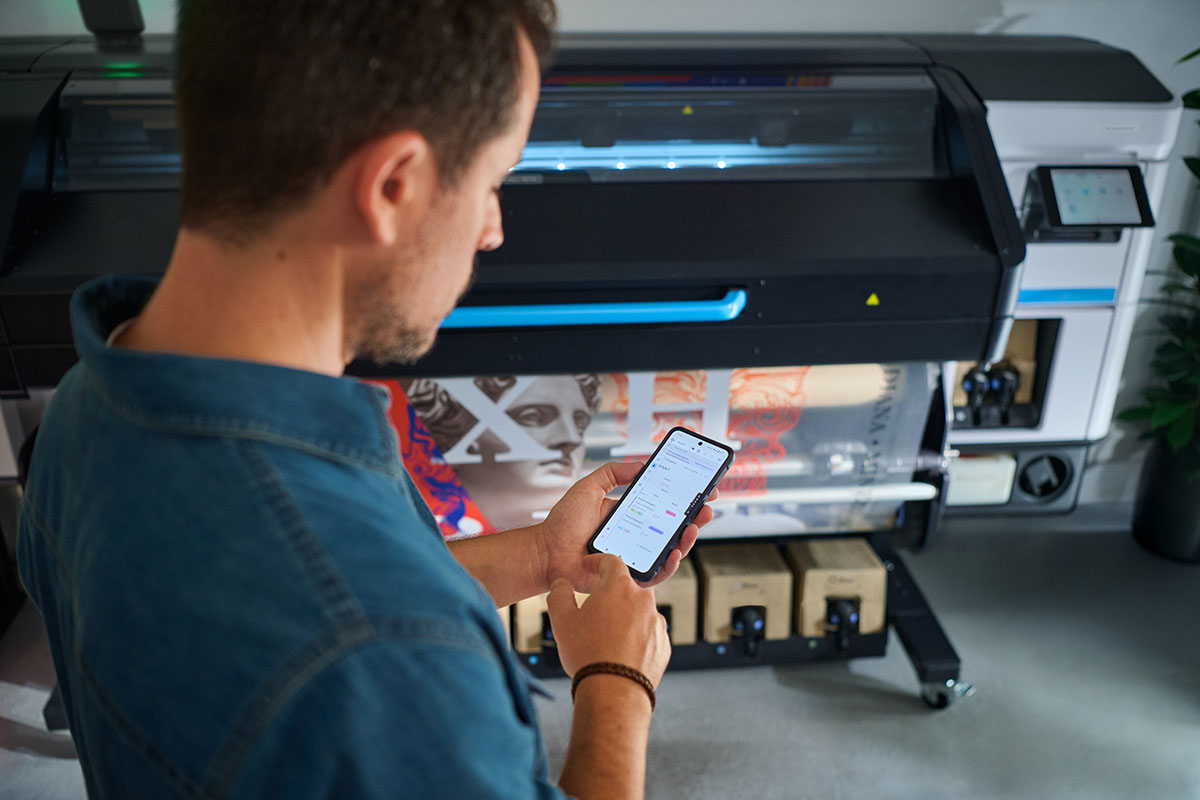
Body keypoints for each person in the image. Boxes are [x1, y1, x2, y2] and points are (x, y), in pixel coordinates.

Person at [16, 2, 711, 798]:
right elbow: (355, 623)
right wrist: (618, 685)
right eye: (492, 182)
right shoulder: (391, 663)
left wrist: (544, 556)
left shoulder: (89, 405)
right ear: (392, 185)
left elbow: (306, 606)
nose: (492, 231)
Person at [405, 374, 602, 531]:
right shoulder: (411, 537)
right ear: (459, 434)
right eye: (532, 417)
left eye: (579, 423)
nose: (571, 439)